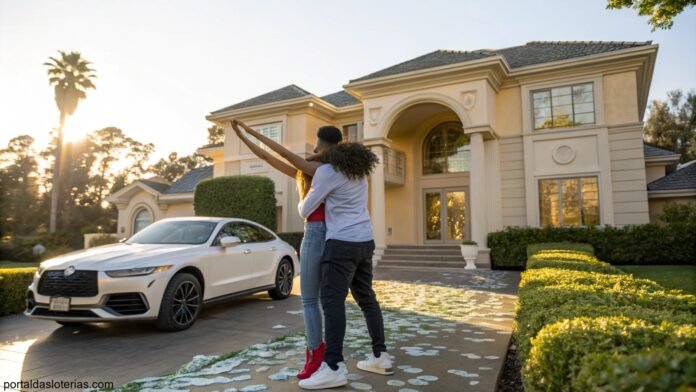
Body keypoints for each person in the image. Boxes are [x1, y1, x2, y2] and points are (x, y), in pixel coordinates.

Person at [231, 119, 342, 379]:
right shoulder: (327, 170)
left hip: (316, 233)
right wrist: (244, 136)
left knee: (309, 300)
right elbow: (268, 157)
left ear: (321, 143)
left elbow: (277, 154)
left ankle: (316, 355)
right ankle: (324, 355)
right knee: (328, 301)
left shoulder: (316, 168)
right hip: (335, 235)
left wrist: (247, 131)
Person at [297, 143, 393, 390]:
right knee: (367, 299)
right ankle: (380, 356)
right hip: (365, 241)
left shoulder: (328, 172)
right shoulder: (358, 172)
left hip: (341, 243)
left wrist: (310, 191)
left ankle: (333, 367)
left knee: (331, 302)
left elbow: (304, 210)